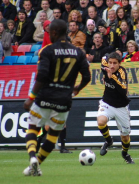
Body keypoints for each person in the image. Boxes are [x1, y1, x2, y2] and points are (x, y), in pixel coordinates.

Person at [23, 19, 91, 176]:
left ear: (54, 33)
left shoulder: (47, 51)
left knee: (33, 128)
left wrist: (31, 97)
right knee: (53, 135)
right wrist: (78, 88)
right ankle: (37, 165)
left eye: (48, 33)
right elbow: (87, 76)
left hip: (44, 97)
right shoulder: (78, 53)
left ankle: (33, 157)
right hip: (63, 101)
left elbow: (42, 75)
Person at [98, 52, 134, 164]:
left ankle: (125, 153)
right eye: (110, 63)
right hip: (107, 103)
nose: (112, 65)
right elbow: (103, 57)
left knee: (125, 138)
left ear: (119, 64)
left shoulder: (122, 73)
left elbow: (124, 91)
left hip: (121, 107)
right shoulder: (105, 64)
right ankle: (108, 141)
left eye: (115, 63)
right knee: (101, 121)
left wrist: (111, 78)